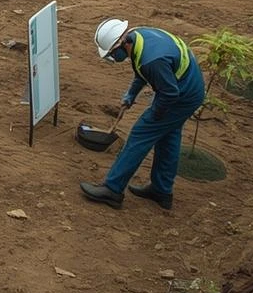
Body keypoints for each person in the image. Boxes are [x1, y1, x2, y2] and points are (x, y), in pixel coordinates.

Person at [81, 19, 205, 211]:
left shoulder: (152, 59)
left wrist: (154, 116)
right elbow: (142, 71)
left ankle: (112, 189)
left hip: (181, 96)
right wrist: (131, 95)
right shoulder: (140, 38)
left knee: (140, 134)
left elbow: (168, 92)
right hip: (186, 88)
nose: (113, 58)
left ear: (124, 43)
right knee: (169, 137)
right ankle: (162, 191)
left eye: (113, 53)